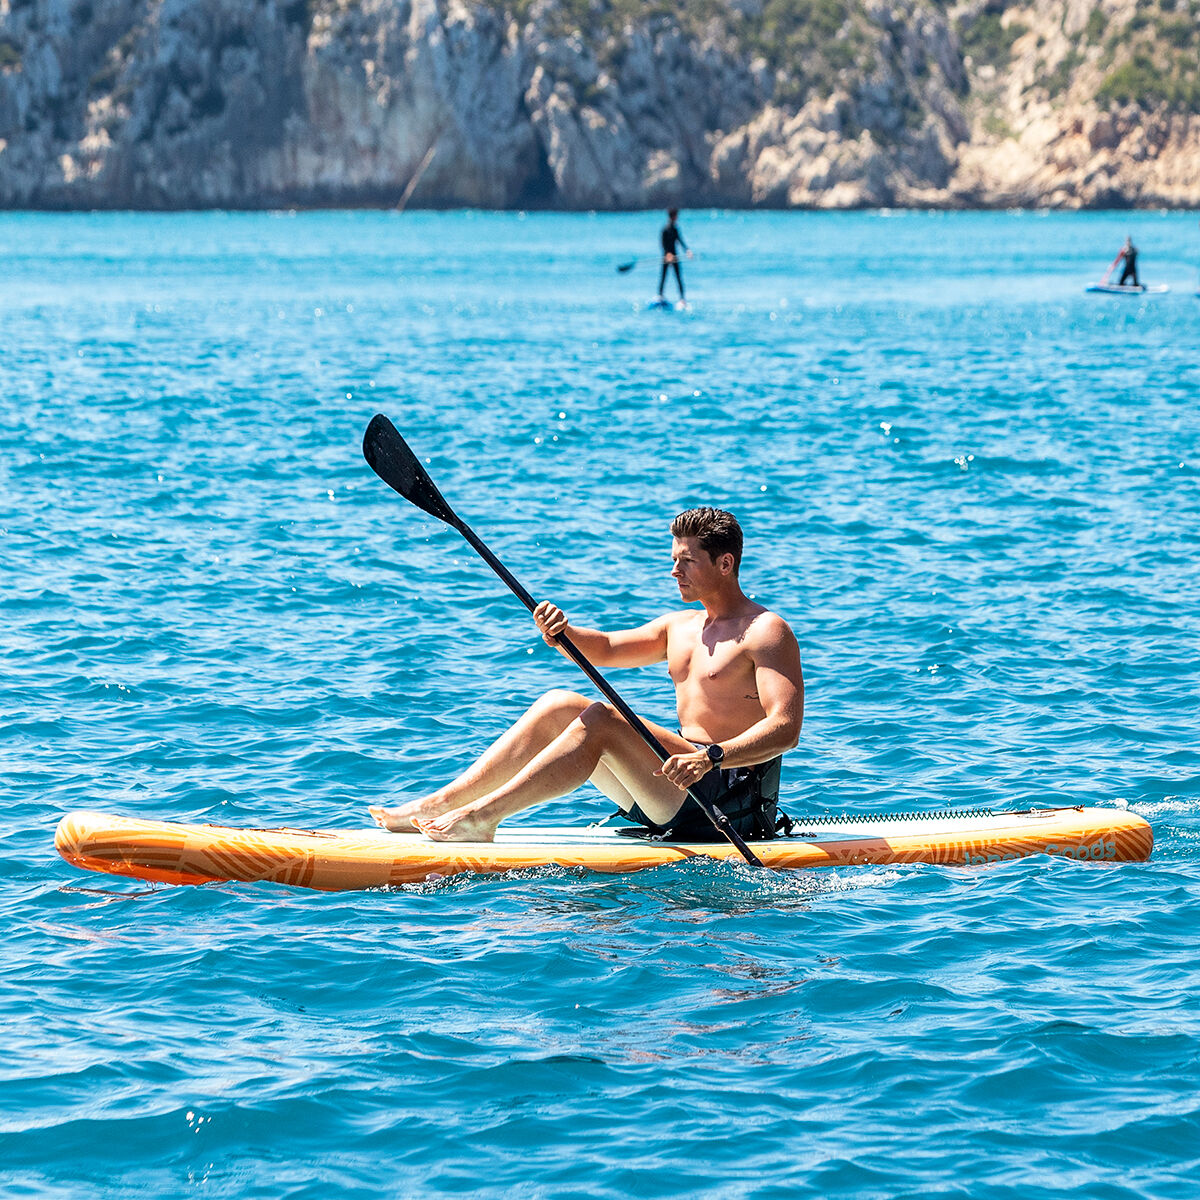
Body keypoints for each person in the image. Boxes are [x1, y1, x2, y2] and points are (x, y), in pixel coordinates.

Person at [369, 508, 804, 843]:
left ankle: (482, 819)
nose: (674, 571)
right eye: (674, 560)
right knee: (560, 703)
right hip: (676, 786)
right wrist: (562, 630)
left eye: (687, 561)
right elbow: (609, 648)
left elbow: (786, 729)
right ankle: (442, 803)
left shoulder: (765, 631)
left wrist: (711, 757)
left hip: (730, 800)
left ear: (725, 564)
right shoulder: (681, 626)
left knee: (600, 720)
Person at [658, 208, 692, 303]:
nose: (677, 217)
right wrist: (667, 253)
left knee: (678, 277)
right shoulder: (665, 229)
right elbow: (663, 243)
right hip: (666, 256)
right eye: (676, 216)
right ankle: (660, 296)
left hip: (675, 257)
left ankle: (682, 298)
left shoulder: (675, 229)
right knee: (663, 277)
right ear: (672, 216)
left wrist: (687, 250)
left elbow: (680, 241)